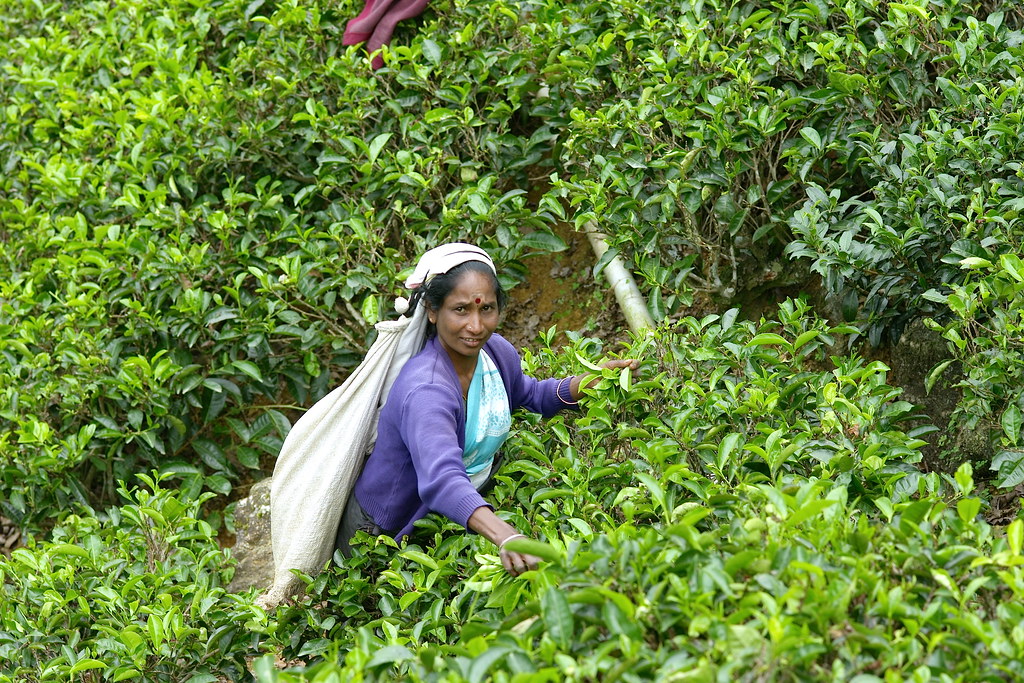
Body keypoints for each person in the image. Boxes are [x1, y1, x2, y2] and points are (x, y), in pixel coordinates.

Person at [335, 243, 637, 576]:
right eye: (461, 310)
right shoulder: (427, 390)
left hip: (445, 520)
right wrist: (506, 536)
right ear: (433, 312)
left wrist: (593, 379)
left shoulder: (495, 353)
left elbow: (530, 393)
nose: (476, 326)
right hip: (383, 529)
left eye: (487, 309)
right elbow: (442, 480)